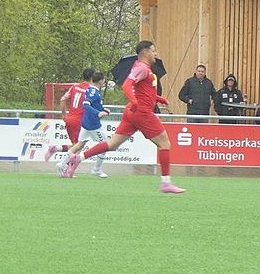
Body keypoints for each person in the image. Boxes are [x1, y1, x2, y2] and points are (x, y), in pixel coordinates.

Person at [61, 41, 185, 194]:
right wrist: (135, 101)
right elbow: (127, 85)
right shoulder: (141, 68)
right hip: (142, 112)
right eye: (153, 51)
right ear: (145, 52)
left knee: (112, 144)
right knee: (165, 144)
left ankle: (79, 158)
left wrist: (159, 99)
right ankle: (166, 183)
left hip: (131, 112)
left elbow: (144, 91)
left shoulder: (143, 68)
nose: (155, 54)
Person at [57, 72, 109, 178]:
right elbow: (86, 104)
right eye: (103, 79)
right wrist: (98, 113)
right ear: (100, 80)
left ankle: (62, 164)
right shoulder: (93, 92)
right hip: (93, 124)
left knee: (79, 144)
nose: (104, 81)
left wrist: (103, 110)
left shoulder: (89, 89)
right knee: (105, 145)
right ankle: (97, 169)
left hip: (85, 123)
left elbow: (93, 104)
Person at [44, 68, 94, 162]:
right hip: (79, 120)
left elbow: (62, 99)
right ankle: (66, 167)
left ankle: (56, 149)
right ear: (92, 77)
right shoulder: (91, 91)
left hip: (69, 118)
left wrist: (64, 115)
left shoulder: (74, 87)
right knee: (78, 147)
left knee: (75, 145)